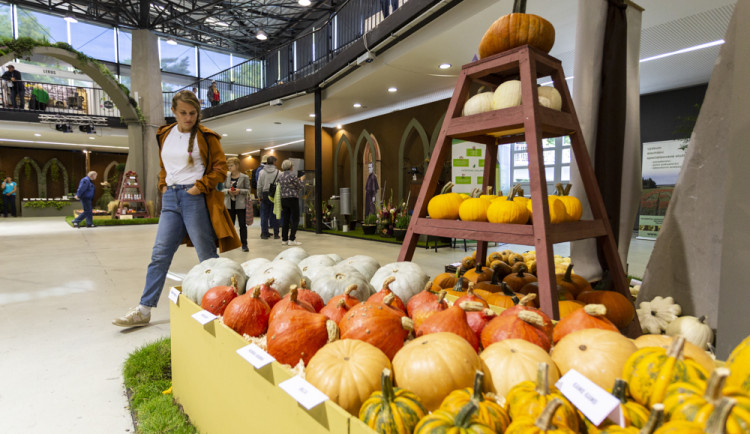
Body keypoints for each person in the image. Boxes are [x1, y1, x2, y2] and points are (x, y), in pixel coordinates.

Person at [112, 90, 240, 328]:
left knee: (206, 257)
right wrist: (163, 185)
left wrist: (199, 187)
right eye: (183, 113)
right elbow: (164, 166)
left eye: (193, 113)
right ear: (173, 112)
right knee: (159, 255)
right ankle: (144, 309)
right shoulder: (164, 134)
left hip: (194, 197)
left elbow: (221, 169)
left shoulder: (207, 136)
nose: (188, 117)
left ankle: (221, 309)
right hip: (170, 199)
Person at [223, 156, 251, 252]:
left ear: (237, 165)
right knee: (230, 226)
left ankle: (244, 244)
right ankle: (230, 244)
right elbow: (220, 189)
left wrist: (239, 191)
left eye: (231, 165)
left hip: (241, 205)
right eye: (228, 166)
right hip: (229, 205)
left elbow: (248, 190)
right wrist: (228, 191)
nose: (229, 167)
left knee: (242, 226)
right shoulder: (226, 176)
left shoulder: (245, 177)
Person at [279, 160, 304, 246]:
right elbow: (300, 186)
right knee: (295, 219)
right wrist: (301, 180)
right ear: (290, 167)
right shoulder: (292, 175)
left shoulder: (280, 176)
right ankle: (292, 239)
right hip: (292, 199)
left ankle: (284, 239)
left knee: (285, 219)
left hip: (283, 199)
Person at [257, 155, 280, 240]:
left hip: (265, 194)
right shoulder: (278, 172)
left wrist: (259, 196)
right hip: (275, 195)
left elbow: (259, 185)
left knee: (264, 215)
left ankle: (264, 233)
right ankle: (276, 234)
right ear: (274, 162)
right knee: (275, 214)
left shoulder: (261, 172)